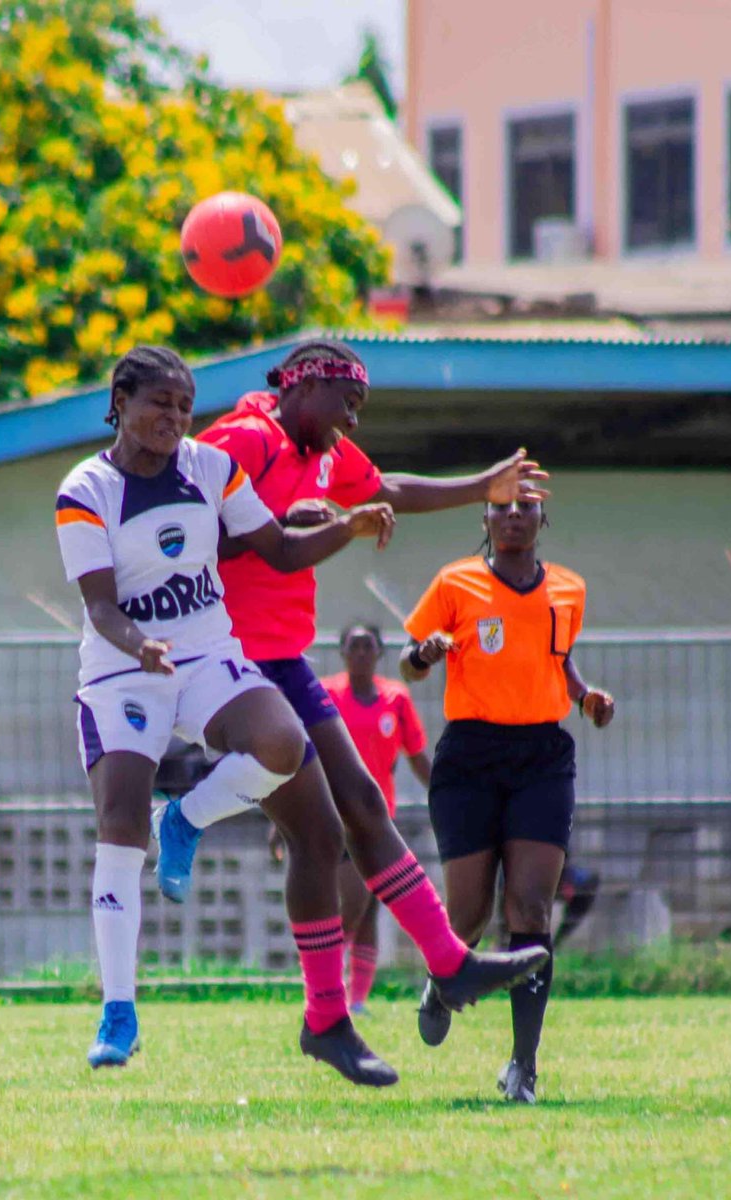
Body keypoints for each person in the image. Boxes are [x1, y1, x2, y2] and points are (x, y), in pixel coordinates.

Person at [151, 338, 550, 1026]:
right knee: (321, 835)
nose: (354, 421)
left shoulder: (324, 452)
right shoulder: (246, 438)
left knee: (362, 804)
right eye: (349, 404)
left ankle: (444, 968)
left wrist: (481, 487)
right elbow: (176, 535)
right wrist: (277, 529)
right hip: (230, 662)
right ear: (305, 389)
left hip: (283, 655)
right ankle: (332, 1010)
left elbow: (388, 487)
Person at [55, 344, 402, 1082]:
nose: (174, 419)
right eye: (159, 404)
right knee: (117, 825)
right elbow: (99, 606)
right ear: (119, 402)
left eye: (184, 407)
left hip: (209, 656)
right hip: (124, 669)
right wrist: (142, 644)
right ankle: (119, 1009)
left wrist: (345, 527)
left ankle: (183, 820)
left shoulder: (210, 467)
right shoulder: (86, 487)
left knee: (281, 743)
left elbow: (275, 548)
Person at [400, 498, 615, 1103]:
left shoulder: (569, 588)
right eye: (502, 507)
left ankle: (524, 1065)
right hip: (470, 753)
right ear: (485, 521)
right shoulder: (454, 581)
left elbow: (557, 656)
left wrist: (585, 696)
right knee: (467, 915)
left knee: (529, 911)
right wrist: (424, 655)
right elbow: (408, 659)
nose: (514, 514)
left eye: (527, 507)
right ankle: (442, 981)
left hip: (542, 757)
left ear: (544, 520)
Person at [322, 623, 431, 1014]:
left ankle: (357, 1000)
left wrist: (443, 795)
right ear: (343, 652)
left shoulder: (396, 699)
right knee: (349, 904)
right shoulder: (328, 695)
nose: (362, 653)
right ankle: (325, 989)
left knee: (369, 909)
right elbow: (308, 752)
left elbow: (416, 755)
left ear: (380, 652)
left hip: (381, 817)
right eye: (355, 646)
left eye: (369, 646)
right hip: (337, 815)